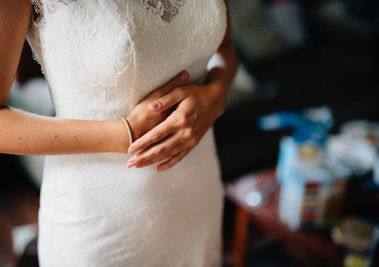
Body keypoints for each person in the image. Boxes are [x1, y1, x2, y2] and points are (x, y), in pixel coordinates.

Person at [0, 0, 238, 266]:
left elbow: (225, 49)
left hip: (197, 194)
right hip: (102, 221)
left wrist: (217, 94)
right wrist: (123, 134)